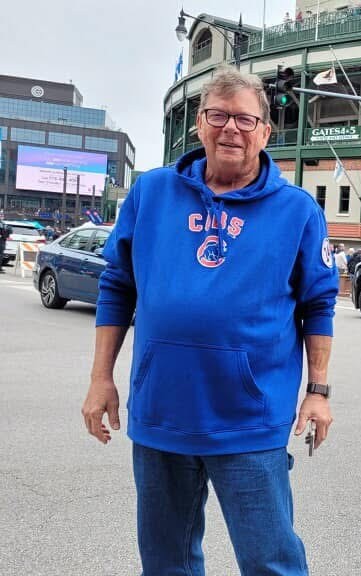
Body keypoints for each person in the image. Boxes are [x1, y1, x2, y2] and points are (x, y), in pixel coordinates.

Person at [81, 67, 339, 575]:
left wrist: (318, 391)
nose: (231, 129)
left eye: (245, 119)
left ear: (265, 131)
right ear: (199, 124)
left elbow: (319, 304)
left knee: (271, 562)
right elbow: (117, 286)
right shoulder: (151, 193)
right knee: (165, 563)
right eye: (218, 116)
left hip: (249, 421)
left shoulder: (297, 211)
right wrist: (100, 378)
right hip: (162, 414)